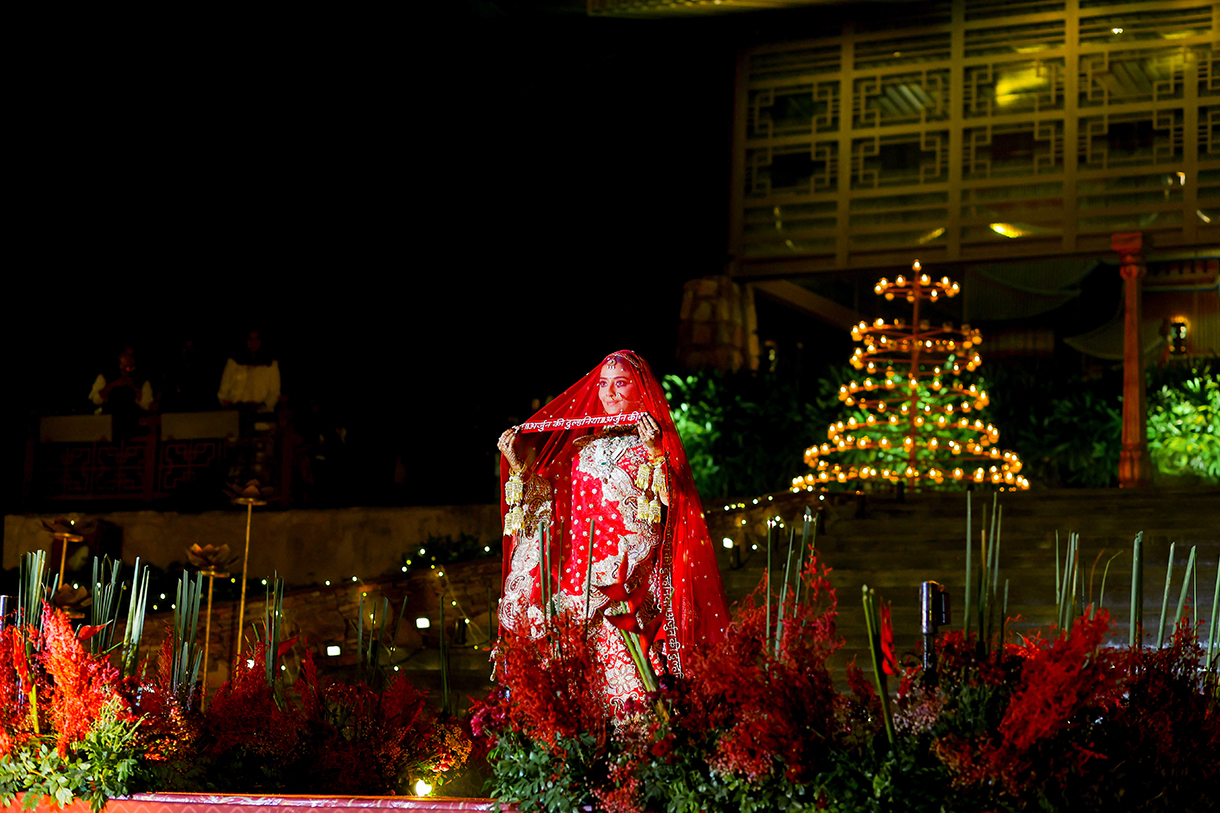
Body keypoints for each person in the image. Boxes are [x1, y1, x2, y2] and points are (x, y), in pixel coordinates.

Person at [496, 350, 729, 712]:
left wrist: (654, 453)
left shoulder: (649, 445)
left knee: (631, 672)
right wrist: (516, 465)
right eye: (603, 384)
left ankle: (642, 753)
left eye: (620, 384)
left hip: (625, 574)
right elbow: (551, 503)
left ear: (642, 391)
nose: (609, 393)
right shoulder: (581, 446)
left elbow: (672, 503)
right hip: (576, 574)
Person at [218, 330, 280, 413]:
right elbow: (224, 390)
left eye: (257, 339)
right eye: (250, 339)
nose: (253, 343)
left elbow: (274, 393)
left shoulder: (270, 365)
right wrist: (229, 405)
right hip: (236, 412)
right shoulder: (233, 363)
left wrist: (262, 405)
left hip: (261, 413)